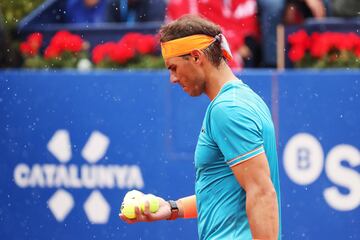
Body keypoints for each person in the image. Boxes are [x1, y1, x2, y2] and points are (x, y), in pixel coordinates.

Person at [120, 15, 281, 240]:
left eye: (174, 68)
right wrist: (173, 208)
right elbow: (227, 194)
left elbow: (262, 193)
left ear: (196, 57)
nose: (172, 79)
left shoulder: (228, 109)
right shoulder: (243, 100)